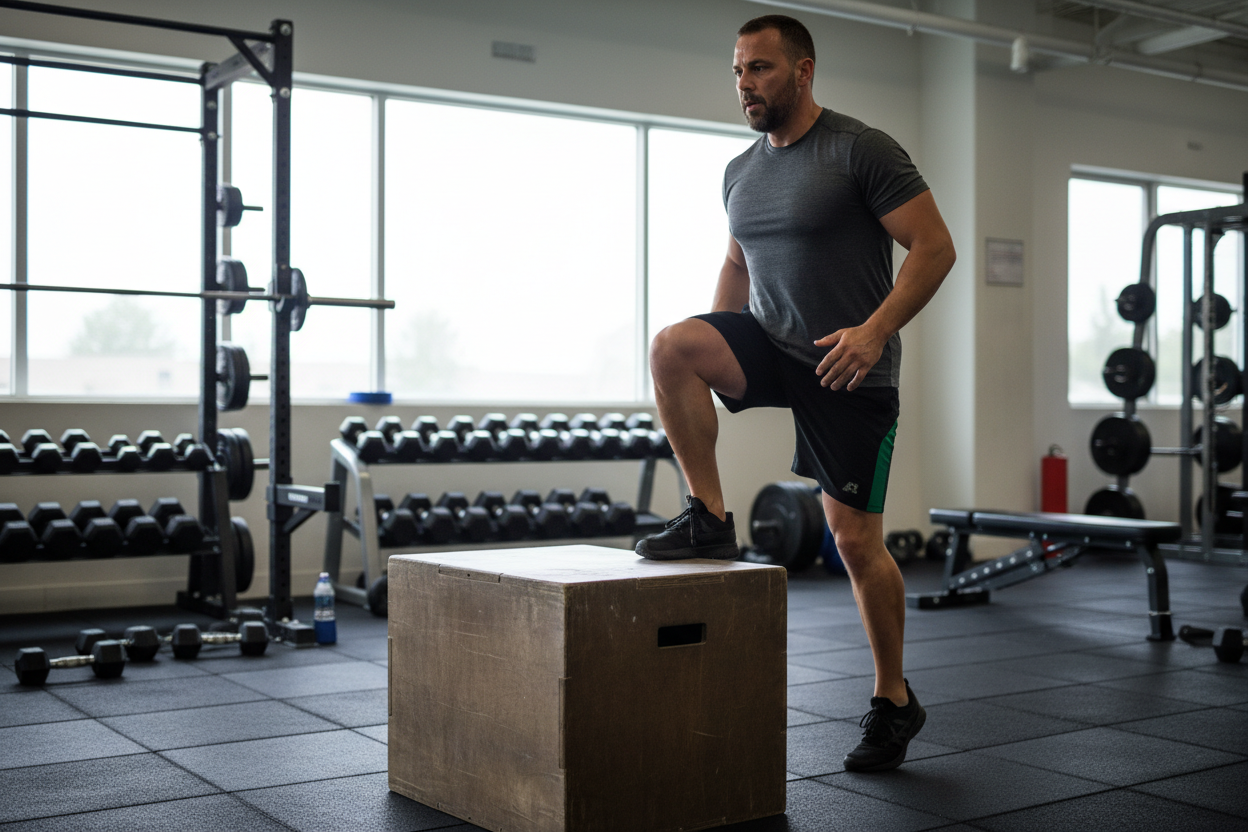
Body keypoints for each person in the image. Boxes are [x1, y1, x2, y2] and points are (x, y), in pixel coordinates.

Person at [634, 14, 956, 773]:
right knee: (673, 345)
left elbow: (935, 247)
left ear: (803, 72)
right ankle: (709, 517)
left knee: (852, 542)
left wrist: (875, 331)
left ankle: (893, 701)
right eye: (739, 69)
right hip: (774, 346)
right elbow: (738, 267)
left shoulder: (860, 149)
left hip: (850, 366)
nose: (746, 84)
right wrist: (718, 338)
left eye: (762, 69)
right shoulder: (740, 171)